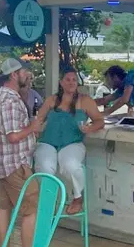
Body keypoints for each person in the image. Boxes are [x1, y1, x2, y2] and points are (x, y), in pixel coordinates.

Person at [0, 58, 49, 247]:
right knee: (30, 211)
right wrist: (32, 127)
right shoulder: (11, 101)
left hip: (3, 164)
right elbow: (13, 136)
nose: (28, 75)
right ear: (14, 75)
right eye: (24, 72)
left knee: (4, 208)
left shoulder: (0, 96)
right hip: (15, 164)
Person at [32, 67, 105, 216]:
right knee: (45, 167)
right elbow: (39, 119)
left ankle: (78, 198)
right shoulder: (52, 100)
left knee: (71, 165)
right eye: (67, 79)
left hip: (73, 142)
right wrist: (35, 129)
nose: (71, 82)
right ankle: (48, 203)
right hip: (48, 142)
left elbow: (99, 121)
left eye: (74, 80)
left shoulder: (85, 101)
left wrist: (89, 128)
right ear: (61, 82)